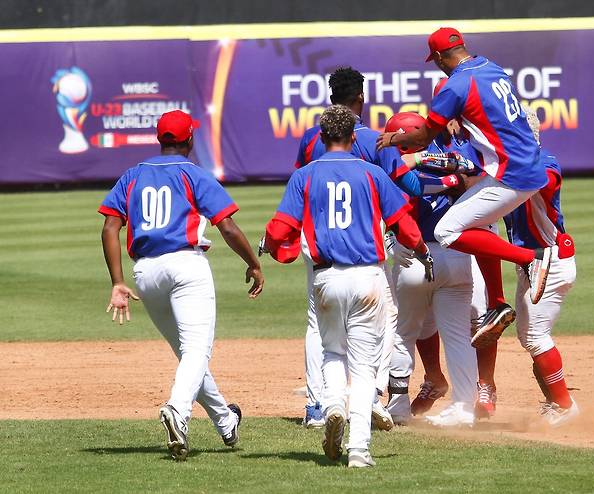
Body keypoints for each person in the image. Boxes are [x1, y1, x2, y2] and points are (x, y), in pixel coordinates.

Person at [263, 105, 432, 467]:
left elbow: (279, 231)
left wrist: (273, 245)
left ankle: (333, 405)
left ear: (322, 138)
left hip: (326, 278)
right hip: (368, 277)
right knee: (365, 365)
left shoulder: (304, 176)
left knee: (332, 352)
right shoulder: (372, 173)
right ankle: (359, 449)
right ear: (354, 137)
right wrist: (420, 250)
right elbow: (406, 227)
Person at [99, 110, 264, 461]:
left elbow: (110, 228)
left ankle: (225, 422)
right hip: (186, 267)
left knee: (189, 355)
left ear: (161, 140)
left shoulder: (133, 175)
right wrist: (252, 263)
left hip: (145, 273)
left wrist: (117, 282)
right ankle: (177, 411)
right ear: (189, 140)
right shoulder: (193, 174)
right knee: (196, 352)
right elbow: (228, 226)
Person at [377, 27, 552, 349]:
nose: (438, 65)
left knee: (447, 231)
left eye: (436, 61)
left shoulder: (456, 84)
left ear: (441, 57)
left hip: (510, 172)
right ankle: (497, 303)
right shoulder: (490, 66)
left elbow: (423, 136)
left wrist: (394, 140)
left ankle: (531, 258)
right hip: (527, 164)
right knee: (479, 223)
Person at [294, 67, 413, 430]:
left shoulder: (311, 139)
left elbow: (302, 183)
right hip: (366, 242)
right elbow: (406, 185)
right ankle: (372, 394)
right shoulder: (376, 140)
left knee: (318, 325)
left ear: (331, 100)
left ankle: (318, 406)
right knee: (384, 317)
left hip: (318, 239)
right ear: (361, 97)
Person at [475, 108, 579, 425]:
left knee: (535, 337)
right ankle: (556, 403)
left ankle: (565, 407)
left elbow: (546, 182)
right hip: (531, 261)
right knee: (530, 336)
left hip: (549, 257)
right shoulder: (505, 168)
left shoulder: (543, 161)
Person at [383, 111, 479, 427]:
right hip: (456, 255)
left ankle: (397, 406)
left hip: (414, 257)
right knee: (457, 337)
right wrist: (451, 179)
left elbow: (408, 191)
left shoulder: (390, 169)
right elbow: (471, 177)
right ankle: (465, 408)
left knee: (404, 334)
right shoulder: (454, 159)